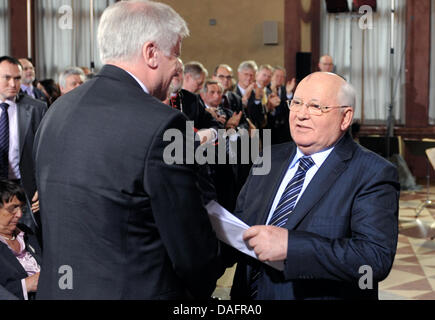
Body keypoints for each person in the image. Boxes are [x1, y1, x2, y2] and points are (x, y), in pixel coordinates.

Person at [34, 0, 223, 300]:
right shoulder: (164, 124)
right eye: (176, 54)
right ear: (151, 53)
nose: (177, 66)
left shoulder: (57, 110)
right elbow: (190, 248)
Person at [226, 72, 399, 300]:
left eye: (316, 107)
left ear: (345, 118)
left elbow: (373, 260)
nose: (300, 115)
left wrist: (291, 247)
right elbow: (241, 225)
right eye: (296, 103)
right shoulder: (268, 157)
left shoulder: (373, 173)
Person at [0, 56, 47, 236]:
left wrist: (42, 187)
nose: (13, 83)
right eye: (7, 78)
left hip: (25, 189)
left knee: (28, 239)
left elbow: (46, 153)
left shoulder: (37, 108)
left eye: (17, 78)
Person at [0, 179, 41, 300]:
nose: (19, 214)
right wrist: (25, 286)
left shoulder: (26, 233)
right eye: (12, 208)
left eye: (21, 208)